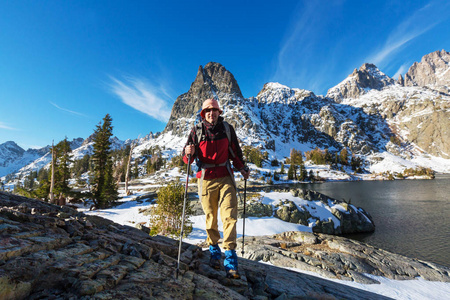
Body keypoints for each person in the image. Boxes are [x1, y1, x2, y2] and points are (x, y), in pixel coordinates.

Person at [183, 98, 250, 279]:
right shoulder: (196, 130)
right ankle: (214, 250)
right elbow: (186, 156)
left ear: (219, 112)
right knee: (210, 215)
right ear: (203, 114)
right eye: (208, 111)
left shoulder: (227, 129)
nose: (211, 113)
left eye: (214, 110)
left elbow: (235, 152)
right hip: (206, 177)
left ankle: (230, 258)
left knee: (229, 215)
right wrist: (188, 154)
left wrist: (242, 168)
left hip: (226, 175)